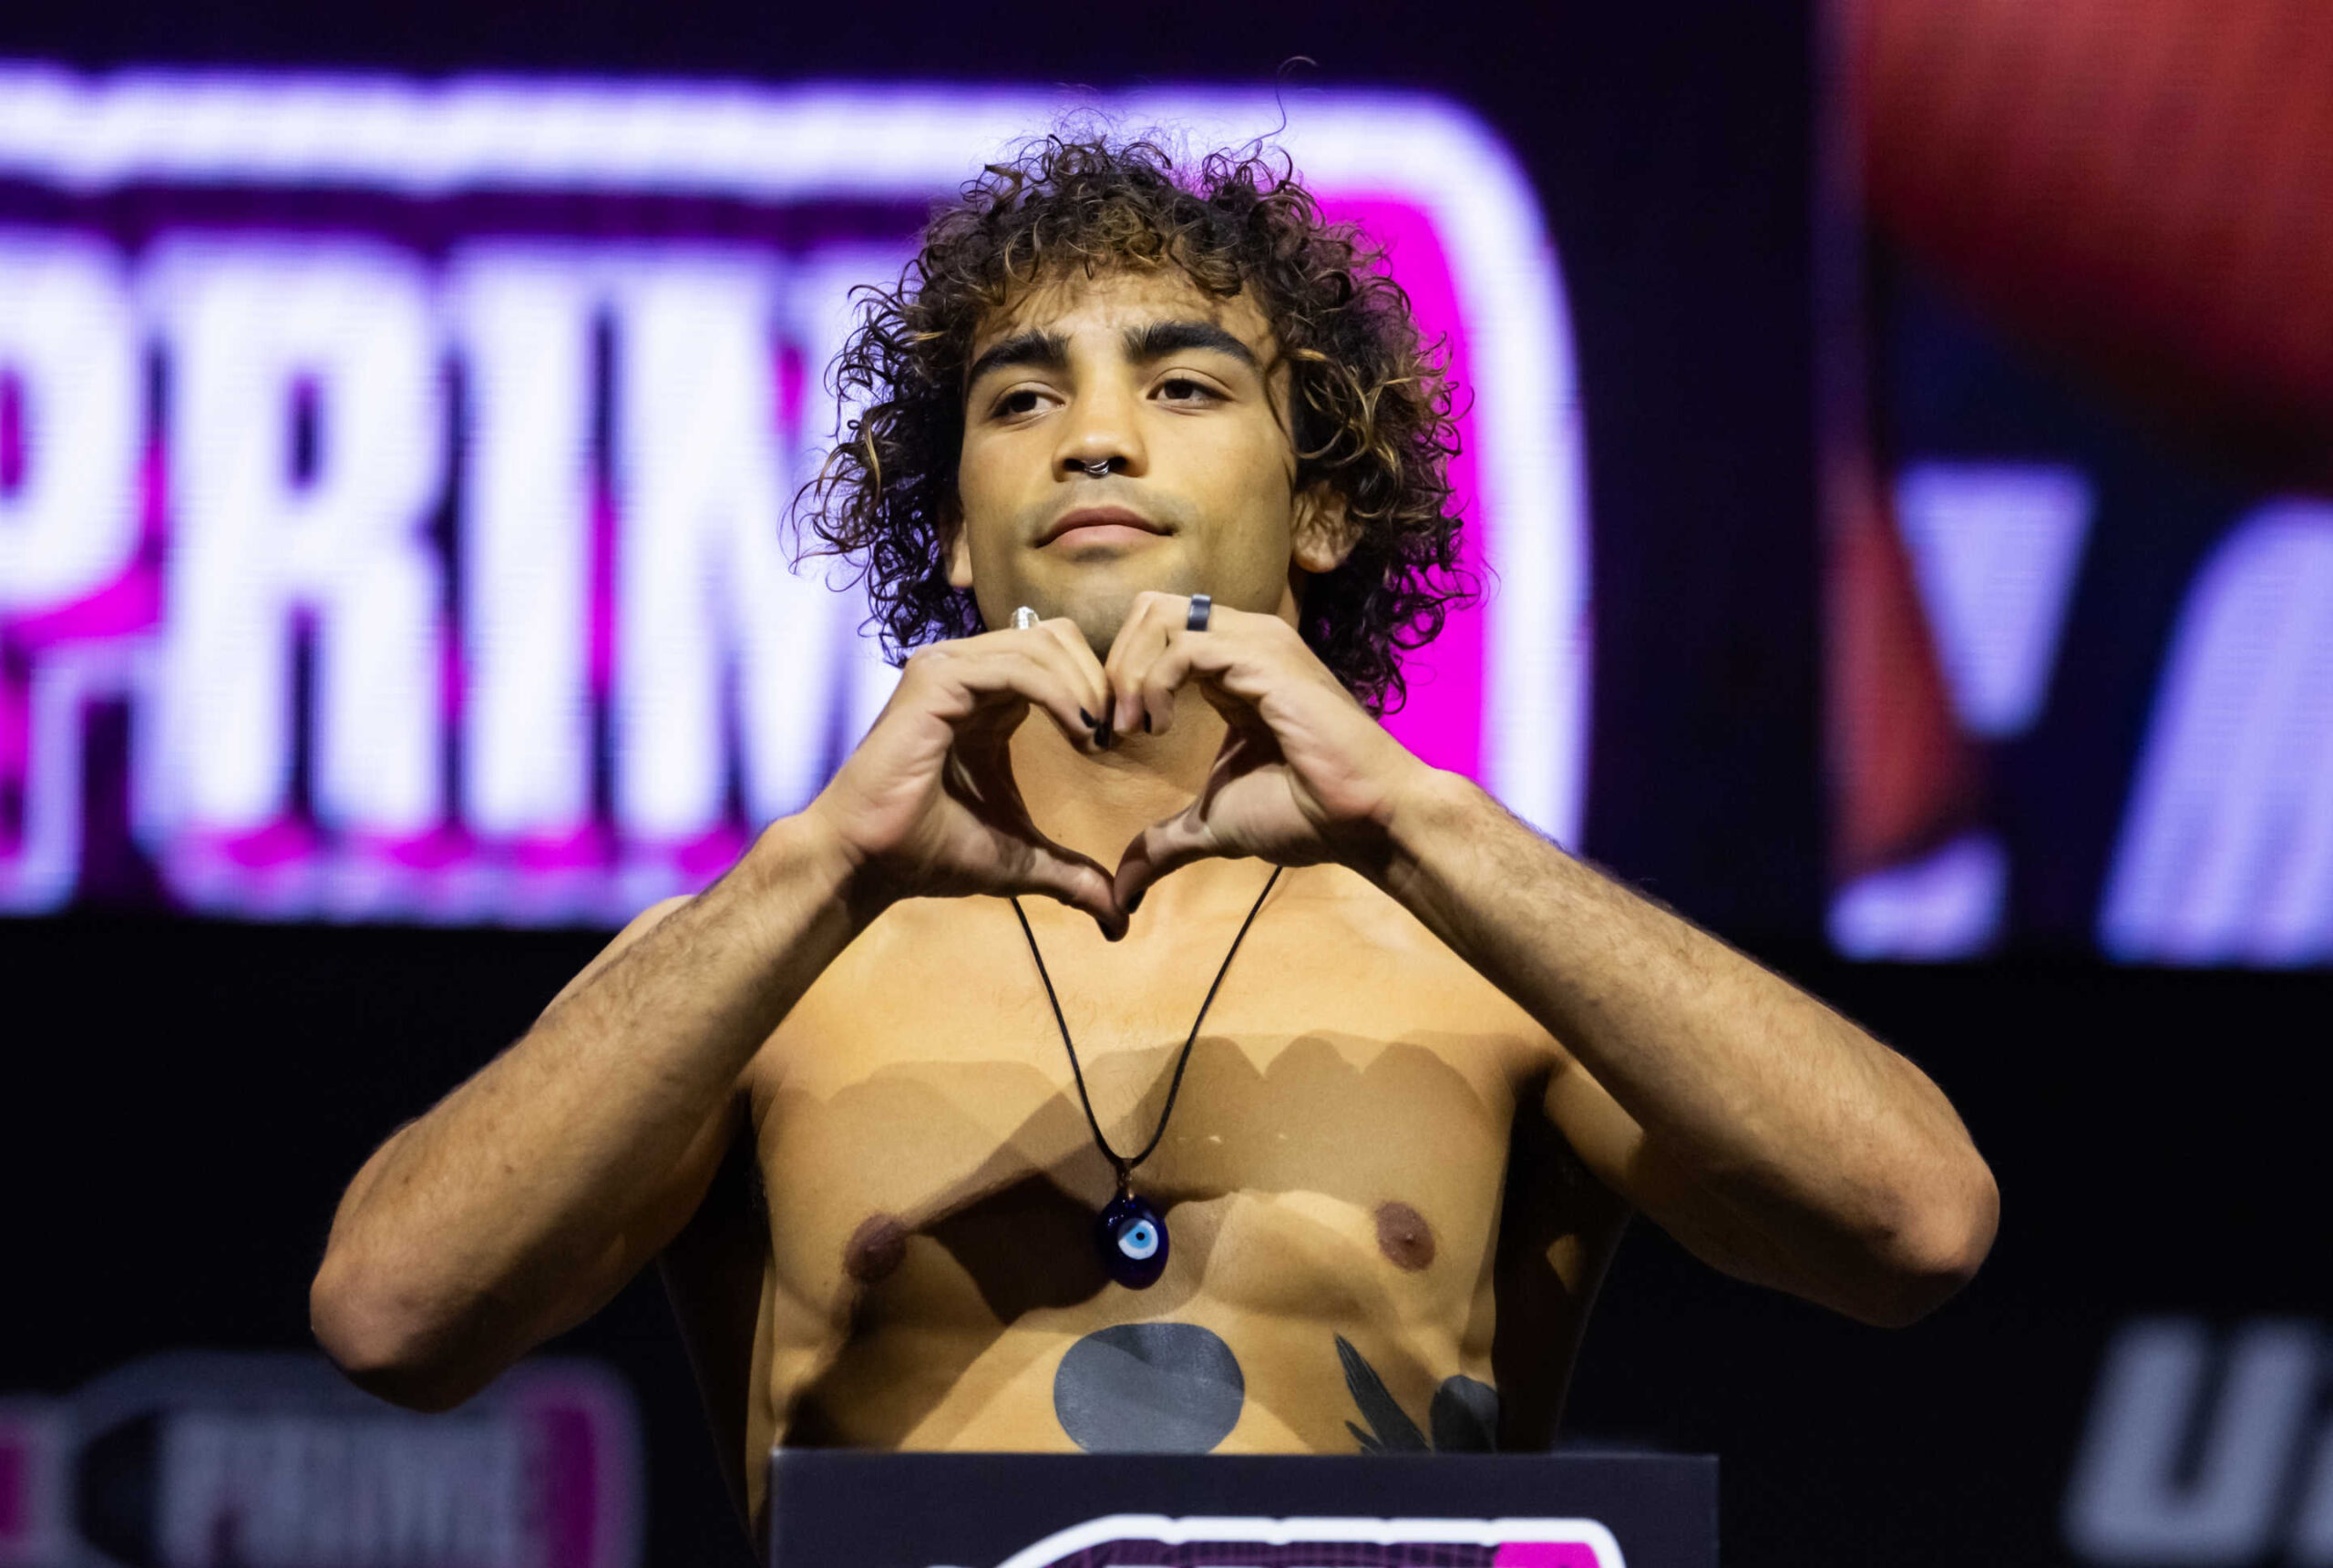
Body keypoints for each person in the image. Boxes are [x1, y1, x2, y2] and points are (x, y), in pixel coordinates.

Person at [310, 136, 1998, 1535]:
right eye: (1020, 401)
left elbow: (1916, 1225)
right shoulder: (780, 956)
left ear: (1324, 503)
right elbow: (391, 1316)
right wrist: (817, 863)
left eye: (1183, 382)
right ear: (956, 536)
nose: (1097, 435)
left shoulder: (1484, 949)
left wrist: (1417, 817)